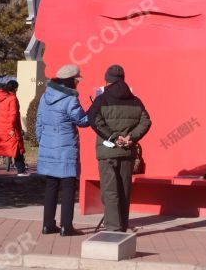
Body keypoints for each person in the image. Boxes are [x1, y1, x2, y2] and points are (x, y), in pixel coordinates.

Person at [89, 64, 152, 232]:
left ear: (108, 80)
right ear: (123, 78)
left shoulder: (101, 99)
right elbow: (145, 121)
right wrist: (131, 137)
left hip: (107, 152)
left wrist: (113, 137)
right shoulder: (135, 100)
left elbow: (94, 120)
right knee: (124, 190)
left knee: (110, 191)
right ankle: (122, 226)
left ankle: (113, 228)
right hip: (127, 151)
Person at [36, 64, 90, 236]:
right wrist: (94, 109)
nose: (77, 83)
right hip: (66, 147)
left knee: (51, 185)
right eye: (76, 80)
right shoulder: (70, 100)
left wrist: (43, 141)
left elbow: (39, 121)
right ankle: (66, 226)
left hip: (48, 146)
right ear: (71, 81)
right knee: (68, 186)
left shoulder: (45, 97)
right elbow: (82, 121)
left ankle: (47, 225)